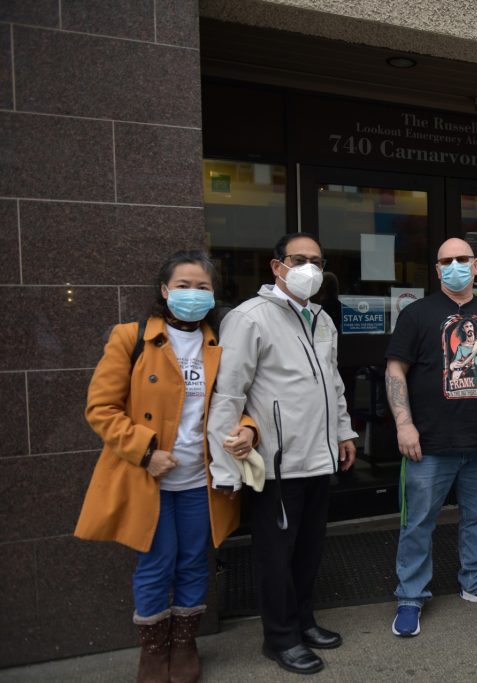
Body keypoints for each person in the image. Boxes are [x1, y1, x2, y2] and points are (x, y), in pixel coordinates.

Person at [75, 250, 255, 683]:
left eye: (202, 287)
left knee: (194, 561)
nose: (193, 295)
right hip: (149, 478)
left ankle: (184, 643)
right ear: (164, 291)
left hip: (202, 478)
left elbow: (239, 401)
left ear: (214, 295)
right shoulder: (129, 338)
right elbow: (101, 409)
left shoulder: (219, 342)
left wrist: (249, 430)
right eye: (183, 286)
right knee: (157, 563)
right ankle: (153, 652)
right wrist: (145, 451)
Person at [207, 232, 358, 676]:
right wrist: (224, 465)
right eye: (298, 259)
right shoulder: (249, 318)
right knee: (276, 557)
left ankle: (304, 622)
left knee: (308, 551)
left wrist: (345, 432)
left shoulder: (322, 319)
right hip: (277, 463)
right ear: (277, 267)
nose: (308, 267)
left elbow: (333, 384)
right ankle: (280, 638)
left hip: (319, 456)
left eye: (316, 259)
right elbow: (228, 395)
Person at [385, 238, 477, 638]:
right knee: (418, 522)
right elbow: (395, 371)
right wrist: (403, 424)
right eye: (446, 260)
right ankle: (411, 596)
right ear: (437, 268)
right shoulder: (417, 314)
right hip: (428, 443)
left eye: (462, 259)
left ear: (475, 265)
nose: (455, 266)